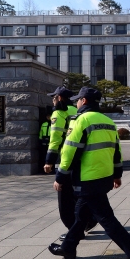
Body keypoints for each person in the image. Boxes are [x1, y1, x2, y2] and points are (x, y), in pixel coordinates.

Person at [48, 87, 130, 259]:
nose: (76, 103)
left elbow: (69, 151)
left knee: (107, 220)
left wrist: (60, 177)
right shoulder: (108, 121)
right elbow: (116, 151)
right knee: (81, 215)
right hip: (104, 177)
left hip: (87, 179)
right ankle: (68, 248)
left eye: (78, 100)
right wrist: (117, 175)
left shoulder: (81, 120)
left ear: (84, 101)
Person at [45, 87, 97, 239]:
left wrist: (49, 161)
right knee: (78, 194)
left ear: (59, 98)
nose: (52, 99)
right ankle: (88, 220)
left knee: (65, 197)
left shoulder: (58, 113)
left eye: (53, 96)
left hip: (66, 157)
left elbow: (55, 139)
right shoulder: (76, 110)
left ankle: (73, 229)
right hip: (81, 157)